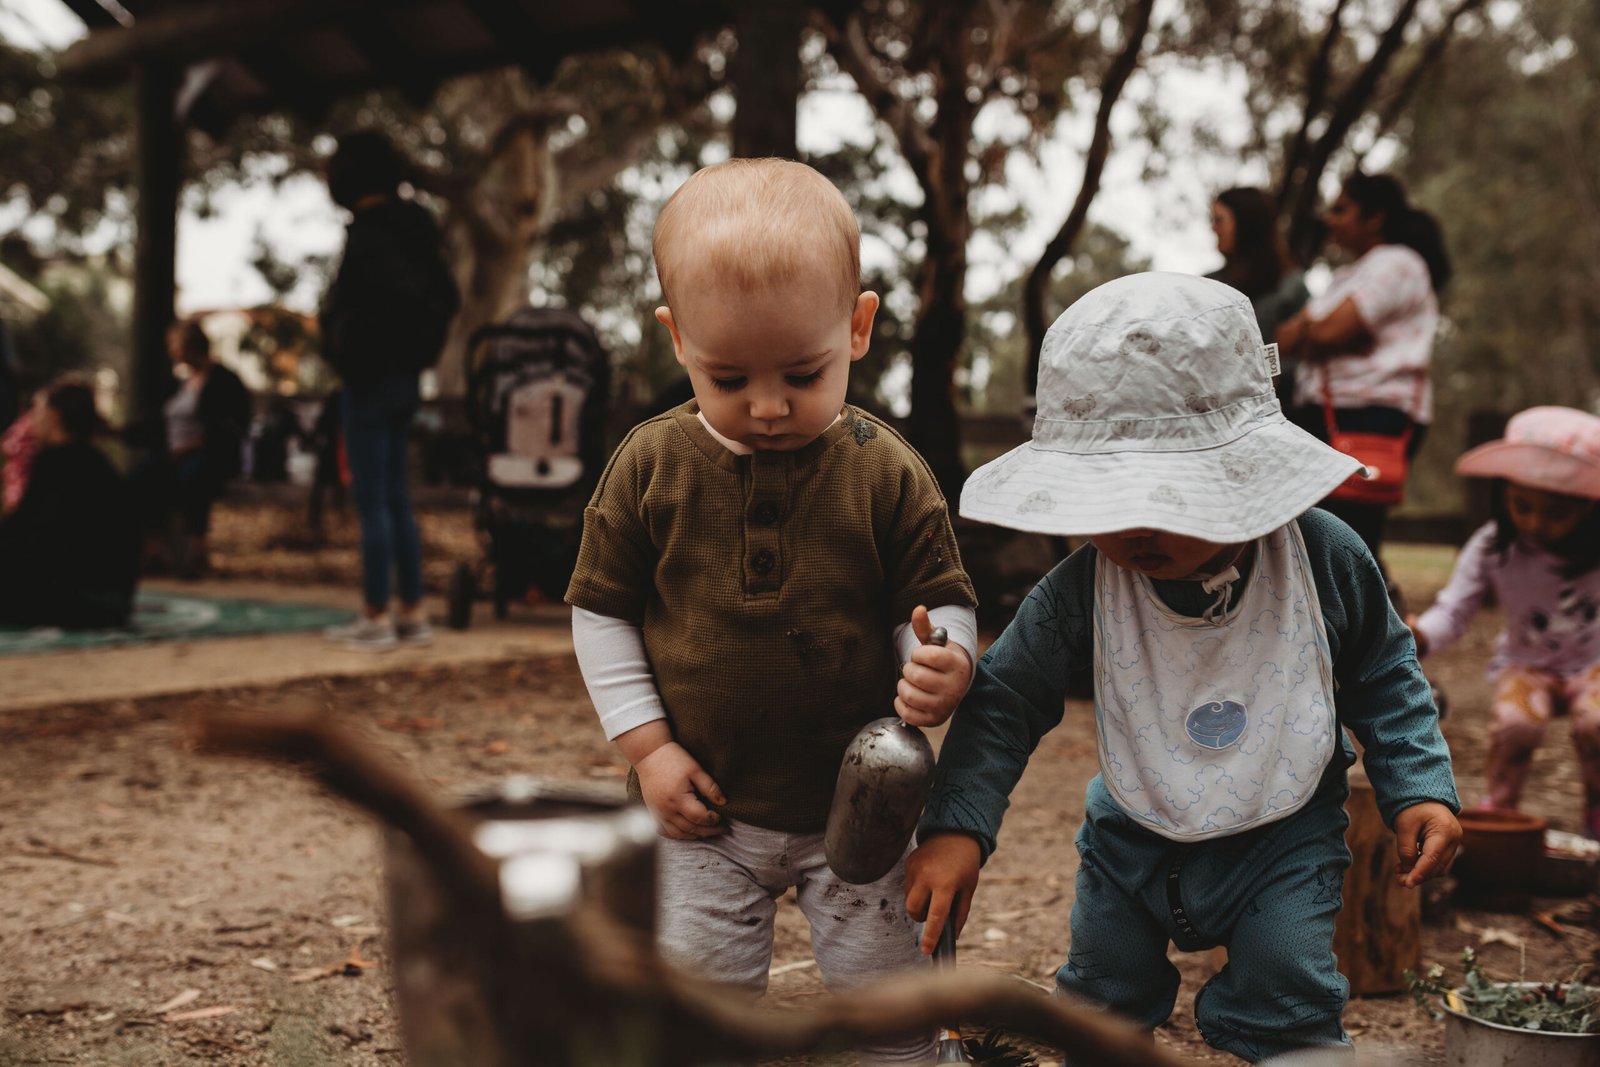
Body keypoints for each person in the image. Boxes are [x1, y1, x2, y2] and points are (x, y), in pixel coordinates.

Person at [908, 273, 1460, 1063]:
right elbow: (1004, 700)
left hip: (1285, 830)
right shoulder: (1080, 592)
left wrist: (1419, 786)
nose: (1134, 528)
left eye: (1165, 495)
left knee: (1286, 976)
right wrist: (960, 823)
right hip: (1130, 843)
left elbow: (1383, 668)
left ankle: (1290, 1042)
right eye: (1107, 497)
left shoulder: (1323, 558)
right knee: (1104, 989)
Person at [564, 158, 978, 1065]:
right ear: (677, 340)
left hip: (862, 811)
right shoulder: (648, 467)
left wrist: (947, 657)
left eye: (802, 371)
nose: (765, 405)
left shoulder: (885, 471)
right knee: (699, 1011)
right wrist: (650, 749)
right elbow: (600, 614)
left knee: (893, 1002)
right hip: (702, 812)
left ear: (859, 326)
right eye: (727, 376)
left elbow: (938, 601)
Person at [1407, 406, 1600, 836]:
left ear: (1588, 507)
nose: (1535, 523)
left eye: (1556, 513)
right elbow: (1454, 609)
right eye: (1522, 506)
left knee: (1596, 722)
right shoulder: (1493, 545)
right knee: (1516, 724)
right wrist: (1419, 636)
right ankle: (1503, 809)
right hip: (1526, 664)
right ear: (1503, 493)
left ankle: (1596, 810)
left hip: (1594, 665)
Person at [318, 130, 459, 651]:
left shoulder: (369, 235)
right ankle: (412, 611)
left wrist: (342, 347)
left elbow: (351, 313)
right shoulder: (419, 232)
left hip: (368, 381)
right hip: (405, 380)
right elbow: (446, 297)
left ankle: (375, 615)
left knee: (371, 498)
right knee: (397, 497)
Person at [1276, 172, 1451, 564]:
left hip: (1371, 414)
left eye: (1342, 209)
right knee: (1329, 532)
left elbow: (1330, 330)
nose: (1330, 219)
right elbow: (1286, 338)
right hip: (1329, 412)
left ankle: (1369, 618)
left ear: (1375, 217)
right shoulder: (1347, 275)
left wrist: (1320, 331)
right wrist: (1319, 331)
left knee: (1349, 535)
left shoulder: (1398, 263)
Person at [0, 376, 138, 627]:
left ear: (54, 415)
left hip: (83, 601)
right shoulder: (99, 465)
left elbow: (32, 540)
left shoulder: (56, 464)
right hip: (110, 602)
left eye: (37, 410)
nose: (32, 419)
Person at [141, 319, 252, 577]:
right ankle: (155, 551)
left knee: (194, 476)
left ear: (188, 346)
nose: (170, 350)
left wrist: (191, 446)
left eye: (174, 344)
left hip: (210, 454)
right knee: (145, 474)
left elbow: (230, 428)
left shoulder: (224, 380)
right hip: (174, 454)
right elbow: (158, 426)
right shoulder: (178, 382)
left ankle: (197, 553)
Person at [1205, 186, 1308, 411]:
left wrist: (1268, 373)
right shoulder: (1206, 285)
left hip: (1272, 417)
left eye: (1219, 220)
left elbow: (1304, 362)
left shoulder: (1291, 288)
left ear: (1247, 223)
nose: (1213, 228)